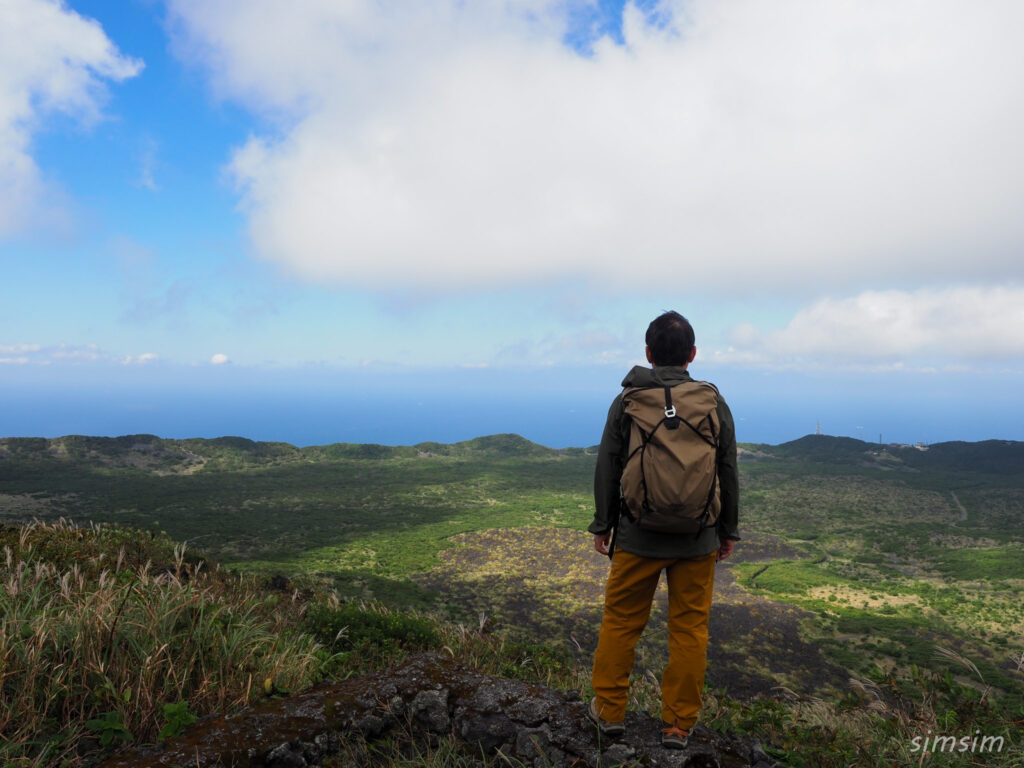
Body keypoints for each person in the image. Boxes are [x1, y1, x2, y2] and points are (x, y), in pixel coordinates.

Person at [587, 311, 739, 749]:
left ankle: (610, 714)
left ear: (648, 354)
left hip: (637, 536)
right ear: (693, 355)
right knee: (689, 630)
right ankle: (677, 725)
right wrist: (727, 530)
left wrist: (604, 524)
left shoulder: (629, 400)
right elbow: (727, 468)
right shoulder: (712, 400)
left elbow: (608, 466)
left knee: (620, 624)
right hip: (698, 537)